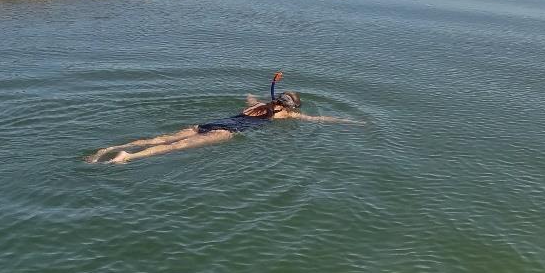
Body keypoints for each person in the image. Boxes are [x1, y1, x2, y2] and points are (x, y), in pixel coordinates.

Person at [86, 72, 356, 164]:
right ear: (292, 106)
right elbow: (319, 120)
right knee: (173, 148)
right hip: (228, 132)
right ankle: (127, 157)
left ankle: (108, 149)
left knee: (162, 138)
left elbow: (248, 98)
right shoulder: (283, 115)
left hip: (216, 121)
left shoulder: (260, 104)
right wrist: (348, 122)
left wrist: (251, 93)